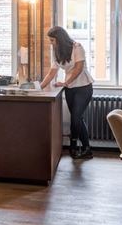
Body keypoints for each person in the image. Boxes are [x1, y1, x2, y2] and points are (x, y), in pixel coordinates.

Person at [40, 26, 94, 160]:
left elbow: (78, 68)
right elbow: (52, 72)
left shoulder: (77, 47)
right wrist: (39, 87)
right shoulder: (57, 52)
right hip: (70, 88)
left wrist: (65, 82)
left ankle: (73, 146)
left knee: (76, 117)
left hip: (84, 87)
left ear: (60, 39)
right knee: (78, 118)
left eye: (52, 40)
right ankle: (87, 149)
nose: (51, 43)